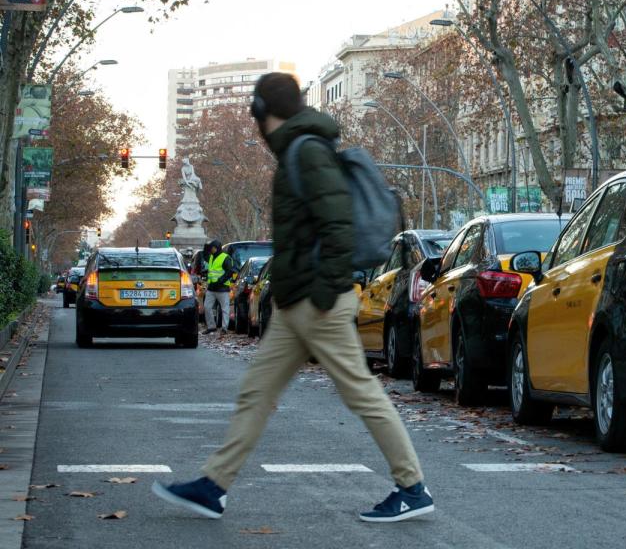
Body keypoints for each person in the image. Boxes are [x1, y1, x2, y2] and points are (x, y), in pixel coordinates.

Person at [152, 72, 432, 523]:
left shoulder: (307, 152)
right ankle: (213, 485)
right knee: (257, 392)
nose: (254, 127)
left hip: (316, 301)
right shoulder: (297, 151)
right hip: (296, 300)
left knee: (362, 394)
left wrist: (323, 292)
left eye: (256, 116)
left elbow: (337, 224)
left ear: (267, 113)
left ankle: (412, 487)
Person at [203, 240, 234, 335]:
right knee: (207, 307)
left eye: (212, 247)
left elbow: (229, 272)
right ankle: (211, 327)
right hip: (212, 288)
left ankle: (224, 328)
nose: (211, 249)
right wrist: (205, 248)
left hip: (222, 288)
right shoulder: (211, 257)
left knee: (225, 309)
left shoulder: (225, 258)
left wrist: (220, 281)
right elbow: (205, 257)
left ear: (216, 247)